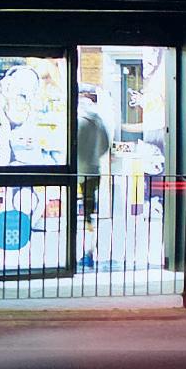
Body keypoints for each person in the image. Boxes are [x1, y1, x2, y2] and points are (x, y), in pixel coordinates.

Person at [75, 87, 114, 268]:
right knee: (89, 213)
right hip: (93, 171)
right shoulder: (99, 121)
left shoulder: (76, 120)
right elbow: (105, 145)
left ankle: (78, 251)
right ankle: (89, 251)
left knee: (75, 213)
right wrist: (94, 159)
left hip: (75, 172)